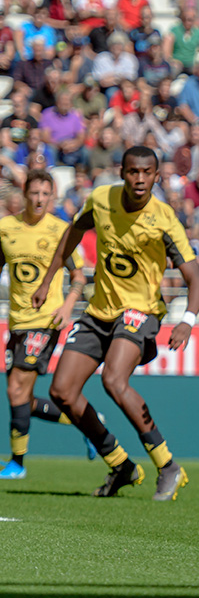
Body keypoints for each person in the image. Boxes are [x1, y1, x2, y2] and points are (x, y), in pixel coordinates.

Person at [32, 147, 199, 500]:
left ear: (157, 176)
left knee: (113, 379)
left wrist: (187, 320)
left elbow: (195, 278)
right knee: (61, 391)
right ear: (122, 172)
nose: (139, 179)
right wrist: (49, 279)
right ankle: (121, 464)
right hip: (100, 311)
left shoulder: (165, 219)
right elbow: (72, 233)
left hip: (140, 312)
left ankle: (168, 464)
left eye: (147, 172)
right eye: (132, 171)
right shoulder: (101, 198)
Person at [0, 170, 90, 479]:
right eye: (34, 193)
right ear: (24, 194)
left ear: (52, 197)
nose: (39, 199)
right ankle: (89, 422)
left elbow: (79, 276)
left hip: (46, 319)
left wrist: (67, 305)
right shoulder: (6, 228)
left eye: (45, 194)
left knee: (15, 389)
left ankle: (18, 463)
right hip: (17, 321)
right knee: (20, 395)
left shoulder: (60, 230)